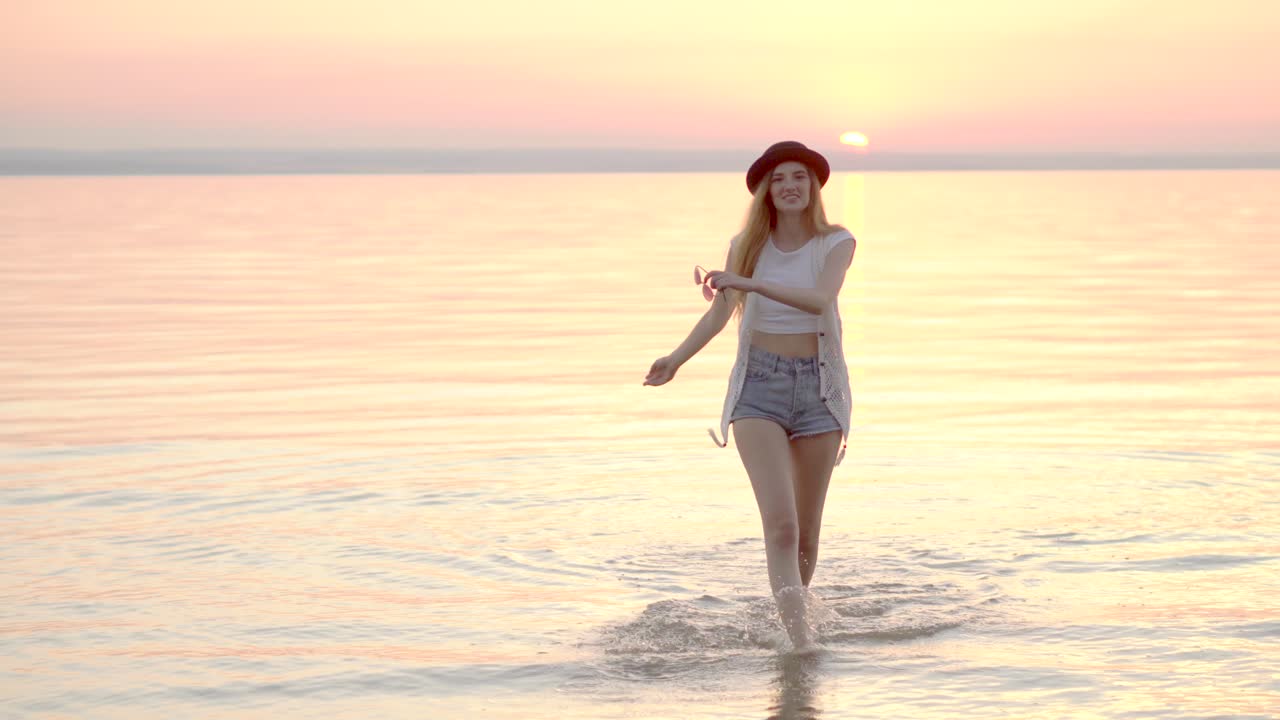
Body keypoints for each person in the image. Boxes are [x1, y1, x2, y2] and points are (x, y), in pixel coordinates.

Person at [643, 140, 856, 653]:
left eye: (799, 177)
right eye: (779, 178)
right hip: (758, 387)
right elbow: (720, 313)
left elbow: (819, 299)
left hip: (819, 390)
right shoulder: (746, 245)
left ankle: (791, 620)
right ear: (765, 190)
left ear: (813, 187)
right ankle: (800, 645)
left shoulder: (837, 242)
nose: (789, 186)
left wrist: (750, 285)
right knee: (780, 526)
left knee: (806, 536)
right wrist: (676, 359)